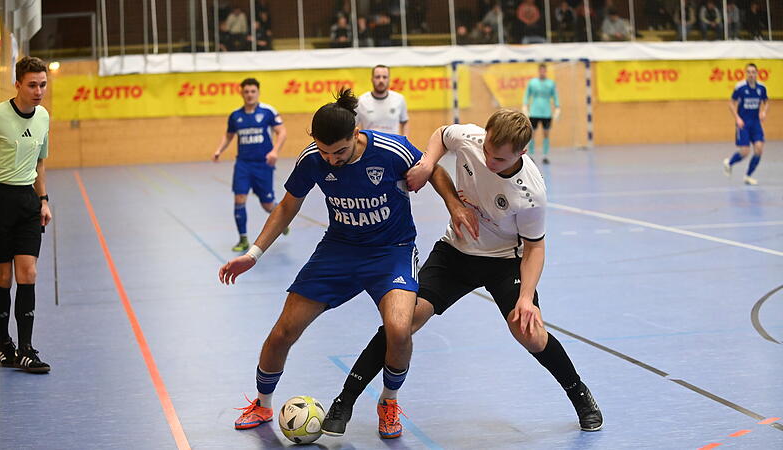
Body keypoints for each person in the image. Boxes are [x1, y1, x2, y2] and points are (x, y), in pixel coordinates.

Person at [320, 109, 603, 438]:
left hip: (503, 261)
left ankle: (579, 393)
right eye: (486, 150)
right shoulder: (473, 138)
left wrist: (526, 299)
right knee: (403, 321)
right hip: (455, 252)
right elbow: (442, 134)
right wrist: (427, 163)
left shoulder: (530, 194)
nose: (488, 160)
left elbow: (535, 249)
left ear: (522, 153)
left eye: (497, 159)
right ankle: (346, 400)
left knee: (528, 331)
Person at [219, 89, 467, 437]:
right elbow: (288, 206)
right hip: (339, 250)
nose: (331, 159)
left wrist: (454, 205)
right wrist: (253, 254)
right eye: (324, 151)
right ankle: (261, 404)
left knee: (398, 330)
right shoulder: (313, 159)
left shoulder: (391, 149)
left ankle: (388, 401)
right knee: (283, 332)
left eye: (339, 151)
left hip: (391, 251)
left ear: (356, 134)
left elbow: (435, 169)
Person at [0, 56, 52, 373]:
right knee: (4, 278)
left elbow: (39, 163)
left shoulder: (43, 118)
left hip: (27, 203)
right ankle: (4, 343)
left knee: (29, 275)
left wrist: (44, 200)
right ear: (18, 84)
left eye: (43, 85)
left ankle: (26, 349)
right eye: (32, 85)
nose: (38, 91)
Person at [212, 78, 287, 252]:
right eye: (246, 92)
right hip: (243, 164)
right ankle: (243, 239)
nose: (249, 95)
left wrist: (275, 151)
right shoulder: (235, 116)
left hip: (263, 164)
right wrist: (219, 150)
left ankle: (282, 220)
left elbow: (281, 131)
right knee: (239, 199)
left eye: (253, 91)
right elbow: (229, 135)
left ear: (258, 93)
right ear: (241, 93)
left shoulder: (268, 112)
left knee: (267, 204)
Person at [722, 63, 768, 185]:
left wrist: (763, 112)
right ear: (745, 73)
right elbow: (731, 104)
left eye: (753, 72)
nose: (751, 74)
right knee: (745, 152)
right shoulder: (740, 87)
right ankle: (729, 163)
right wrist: (737, 118)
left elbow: (766, 102)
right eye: (748, 72)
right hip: (743, 124)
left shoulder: (762, 88)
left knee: (759, 149)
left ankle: (748, 176)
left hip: (756, 123)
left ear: (757, 73)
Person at [355, 65, 409, 137]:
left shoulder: (399, 99)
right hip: (370, 146)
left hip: (393, 146)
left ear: (389, 79)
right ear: (372, 79)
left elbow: (404, 122)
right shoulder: (361, 101)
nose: (381, 80)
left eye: (384, 77)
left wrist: (405, 140)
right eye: (377, 77)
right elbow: (353, 126)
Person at [522, 63, 560, 164]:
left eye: (544, 70)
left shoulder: (551, 83)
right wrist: (525, 105)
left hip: (546, 113)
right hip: (534, 112)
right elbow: (527, 95)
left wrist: (557, 107)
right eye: (541, 70)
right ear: (539, 71)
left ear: (546, 71)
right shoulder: (532, 83)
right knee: (532, 134)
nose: (542, 72)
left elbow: (555, 96)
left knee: (546, 134)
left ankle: (545, 155)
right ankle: (531, 154)